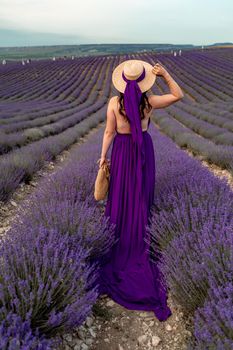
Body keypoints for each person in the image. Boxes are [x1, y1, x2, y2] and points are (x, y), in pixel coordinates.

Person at [97, 59, 184, 321]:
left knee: (122, 196)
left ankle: (122, 236)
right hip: (143, 150)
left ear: (122, 81)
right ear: (144, 80)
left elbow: (109, 133)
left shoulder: (114, 103)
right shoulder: (149, 102)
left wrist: (103, 158)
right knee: (140, 196)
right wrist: (166, 74)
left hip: (123, 152)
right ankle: (140, 236)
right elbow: (178, 95)